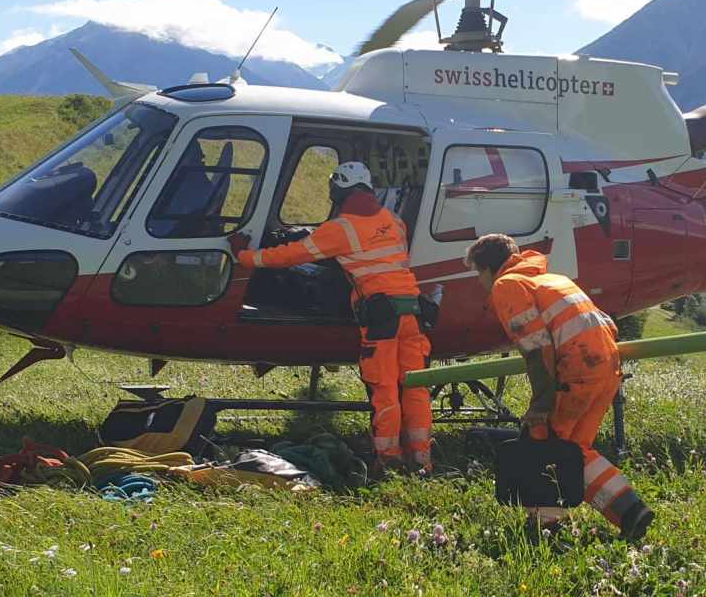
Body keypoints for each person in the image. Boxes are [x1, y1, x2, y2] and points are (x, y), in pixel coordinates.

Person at [230, 161, 433, 474]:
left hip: (381, 315)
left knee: (384, 386)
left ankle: (389, 458)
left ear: (338, 191)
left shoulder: (341, 228)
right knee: (415, 384)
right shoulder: (394, 220)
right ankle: (421, 458)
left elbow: (291, 254)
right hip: (413, 310)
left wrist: (245, 256)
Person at [465, 233, 653, 540]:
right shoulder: (552, 279)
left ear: (488, 268)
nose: (480, 281)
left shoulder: (508, 286)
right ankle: (630, 511)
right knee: (573, 449)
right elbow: (605, 322)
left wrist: (541, 403)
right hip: (605, 365)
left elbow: (536, 349)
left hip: (577, 369)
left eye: (477, 273)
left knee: (547, 443)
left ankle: (545, 526)